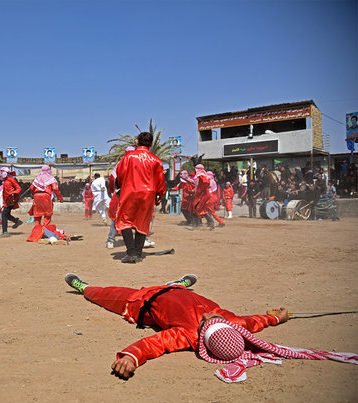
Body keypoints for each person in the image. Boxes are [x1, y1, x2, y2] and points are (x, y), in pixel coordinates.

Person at [64, 274, 358, 383]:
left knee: (106, 295)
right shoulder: (230, 321)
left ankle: (83, 287)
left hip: (140, 301)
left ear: (203, 338)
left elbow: (154, 345)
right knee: (179, 287)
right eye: (213, 318)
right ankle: (180, 282)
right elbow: (256, 321)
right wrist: (279, 317)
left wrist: (129, 356)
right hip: (172, 289)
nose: (207, 317)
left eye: (208, 324)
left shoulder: (186, 335)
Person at [114, 132, 165, 263]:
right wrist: (160, 195)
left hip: (130, 192)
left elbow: (119, 174)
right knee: (143, 221)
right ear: (151, 144)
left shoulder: (128, 157)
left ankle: (131, 253)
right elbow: (160, 180)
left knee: (124, 221)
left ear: (137, 142)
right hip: (148, 195)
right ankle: (138, 253)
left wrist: (120, 184)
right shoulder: (156, 160)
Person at [27, 165, 63, 242]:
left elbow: (31, 188)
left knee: (37, 215)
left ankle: (37, 233)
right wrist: (60, 197)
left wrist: (35, 194)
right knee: (47, 215)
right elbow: (55, 188)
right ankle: (45, 232)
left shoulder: (37, 178)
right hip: (46, 196)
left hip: (37, 196)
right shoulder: (51, 178)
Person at [193, 164, 224, 229]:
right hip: (208, 196)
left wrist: (200, 189)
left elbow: (206, 184)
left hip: (207, 197)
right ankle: (204, 224)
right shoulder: (210, 180)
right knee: (201, 209)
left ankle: (216, 222)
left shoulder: (204, 177)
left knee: (201, 209)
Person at [0, 167, 23, 237]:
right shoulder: (5, 180)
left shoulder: (11, 180)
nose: (0, 174)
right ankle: (16, 221)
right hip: (7, 201)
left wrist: (13, 193)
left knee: (4, 214)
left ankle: (5, 232)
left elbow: (19, 188)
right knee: (6, 215)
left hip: (11, 200)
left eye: (1, 172)